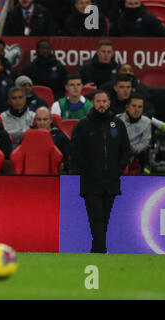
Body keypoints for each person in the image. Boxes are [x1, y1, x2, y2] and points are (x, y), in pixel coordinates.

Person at [71, 90, 130, 253]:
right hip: (91, 181)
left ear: (109, 103)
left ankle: (96, 250)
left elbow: (126, 150)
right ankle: (101, 250)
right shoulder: (83, 125)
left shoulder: (118, 124)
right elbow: (75, 151)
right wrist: (88, 170)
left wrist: (118, 170)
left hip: (111, 180)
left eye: (104, 101)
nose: (101, 104)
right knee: (96, 217)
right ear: (93, 103)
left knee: (105, 218)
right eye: (98, 101)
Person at [117, 93, 151, 174]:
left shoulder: (147, 122)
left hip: (132, 153)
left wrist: (133, 148)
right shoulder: (117, 120)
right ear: (127, 107)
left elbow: (145, 142)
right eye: (134, 106)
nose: (137, 109)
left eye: (140, 107)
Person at [32, 106, 70, 172]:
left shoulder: (61, 137)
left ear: (51, 120)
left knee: (74, 181)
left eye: (45, 119)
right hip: (34, 172)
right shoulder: (29, 136)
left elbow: (72, 161)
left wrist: (64, 165)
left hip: (56, 172)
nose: (42, 123)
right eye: (39, 119)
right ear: (35, 120)